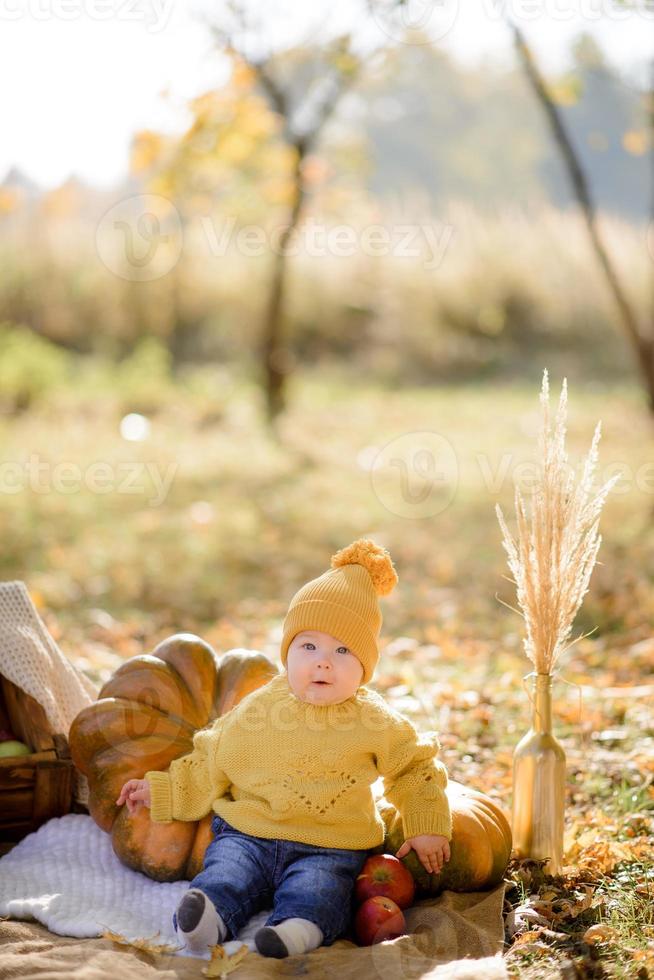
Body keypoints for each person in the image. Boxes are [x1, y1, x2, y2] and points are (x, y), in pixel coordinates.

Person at [116, 538, 452, 959]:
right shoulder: (261, 706)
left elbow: (412, 766)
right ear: (288, 651)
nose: (322, 661)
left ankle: (299, 929)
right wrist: (163, 790)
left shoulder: (374, 720)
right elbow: (213, 757)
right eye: (308, 646)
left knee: (320, 888)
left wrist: (425, 821)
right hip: (249, 832)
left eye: (342, 650)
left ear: (365, 667)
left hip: (329, 845)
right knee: (226, 871)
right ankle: (207, 917)